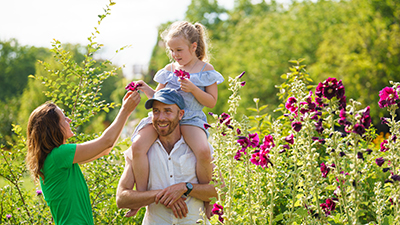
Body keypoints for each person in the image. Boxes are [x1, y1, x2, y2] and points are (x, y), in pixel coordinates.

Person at [128, 21, 224, 216]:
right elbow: (158, 98)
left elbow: (212, 101)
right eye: (171, 50)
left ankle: (208, 199)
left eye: (179, 50)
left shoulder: (206, 69)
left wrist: (194, 89)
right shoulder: (169, 69)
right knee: (137, 146)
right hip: (165, 117)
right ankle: (141, 195)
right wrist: (146, 88)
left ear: (194, 46)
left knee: (204, 151)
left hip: (190, 118)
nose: (175, 55)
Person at [26, 91, 140, 224]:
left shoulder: (56, 159)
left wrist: (126, 112)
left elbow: (105, 149)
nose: (69, 120)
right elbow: (106, 142)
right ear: (53, 128)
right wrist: (125, 110)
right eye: (64, 119)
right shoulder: (59, 155)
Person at [116, 88, 218, 224]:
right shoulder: (140, 151)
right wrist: (165, 194)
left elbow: (218, 190)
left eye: (167, 111)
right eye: (156, 111)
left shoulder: (199, 148)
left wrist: (186, 188)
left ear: (181, 114)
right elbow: (122, 198)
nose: (161, 117)